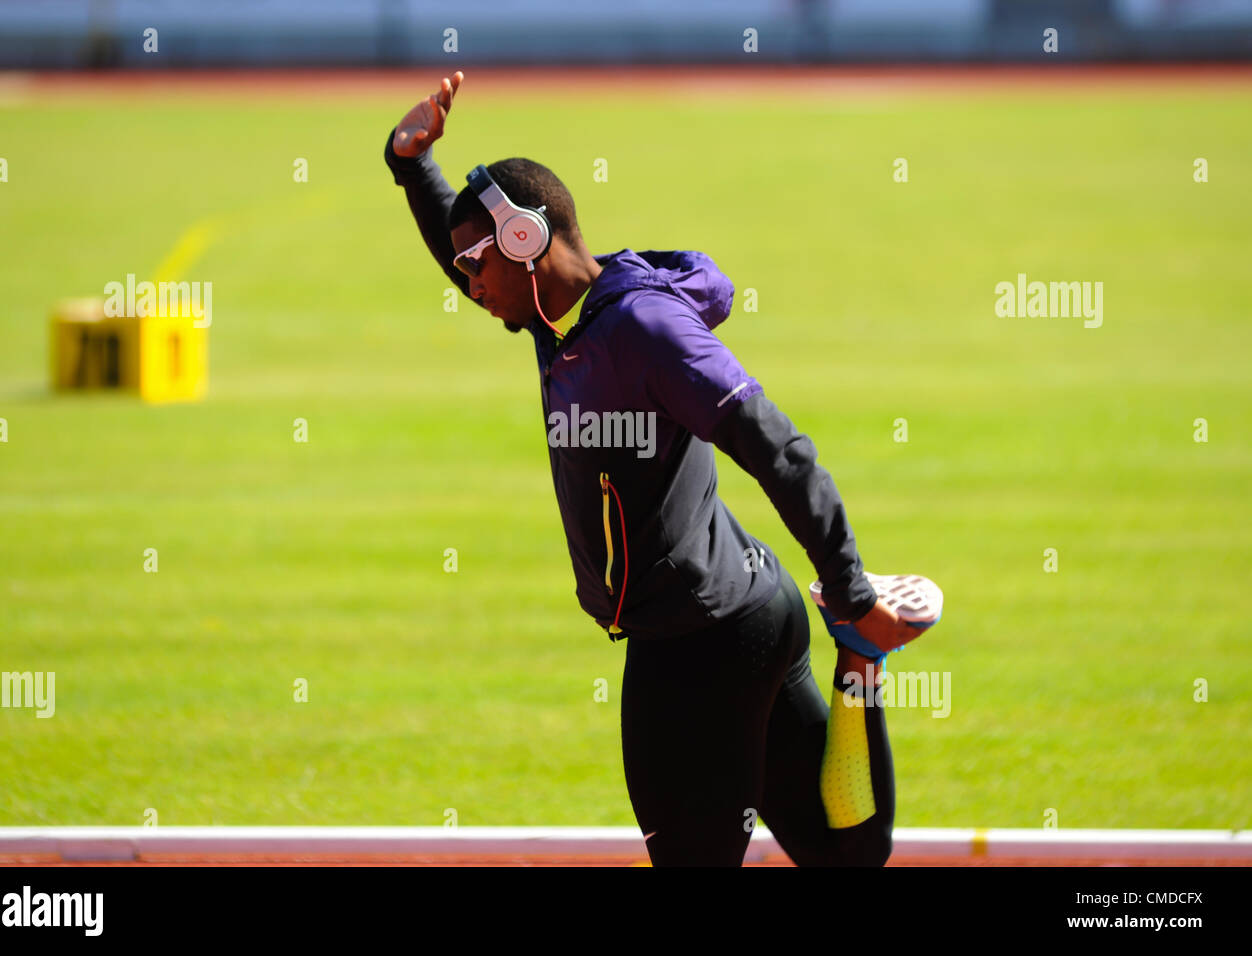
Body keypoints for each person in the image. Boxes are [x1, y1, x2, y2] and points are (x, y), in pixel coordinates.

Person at [384, 71, 936, 866]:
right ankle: (861, 661)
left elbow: (778, 448)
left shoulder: (645, 329)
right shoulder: (556, 319)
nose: (467, 283)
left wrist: (850, 584)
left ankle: (856, 622)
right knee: (850, 856)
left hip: (700, 645)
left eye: (479, 262)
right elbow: (460, 248)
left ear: (525, 243)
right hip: (744, 612)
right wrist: (412, 164)